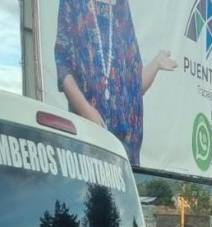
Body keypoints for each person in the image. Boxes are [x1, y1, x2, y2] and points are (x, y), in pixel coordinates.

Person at [54, 0, 177, 166]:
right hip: (89, 139)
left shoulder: (121, 7)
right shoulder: (74, 4)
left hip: (123, 150)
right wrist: (85, 110)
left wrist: (155, 64)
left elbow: (134, 87)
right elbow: (63, 66)